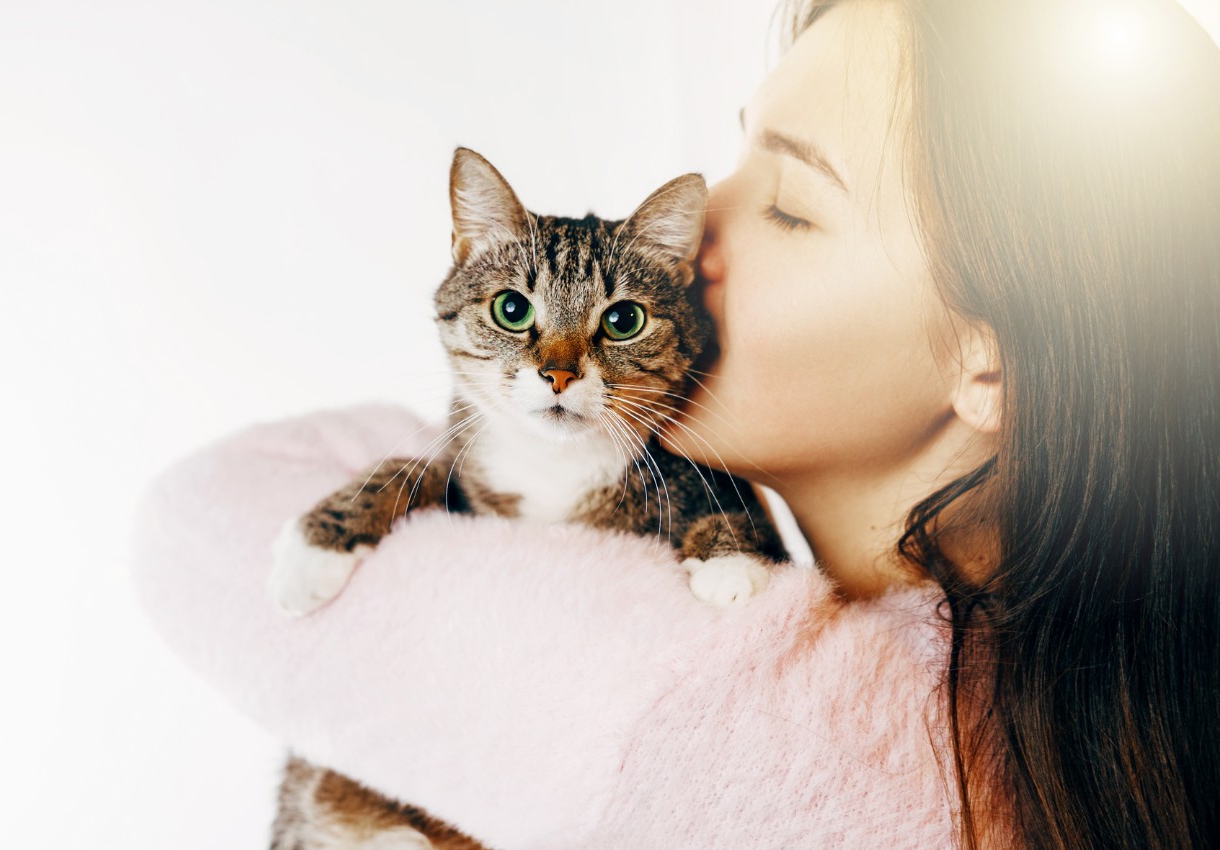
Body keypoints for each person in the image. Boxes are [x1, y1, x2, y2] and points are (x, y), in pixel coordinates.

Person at [133, 1, 1220, 848]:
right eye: (732, 156)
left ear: (994, 362)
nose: (686, 238)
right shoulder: (1050, 713)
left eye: (791, 204)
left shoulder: (782, 737)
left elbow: (199, 525)